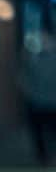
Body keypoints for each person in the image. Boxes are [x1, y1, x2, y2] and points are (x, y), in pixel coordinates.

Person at [21, 28, 56, 164]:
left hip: (51, 102)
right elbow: (24, 78)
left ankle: (48, 156)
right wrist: (30, 93)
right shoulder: (32, 60)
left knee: (50, 131)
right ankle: (43, 157)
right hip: (38, 101)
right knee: (39, 132)